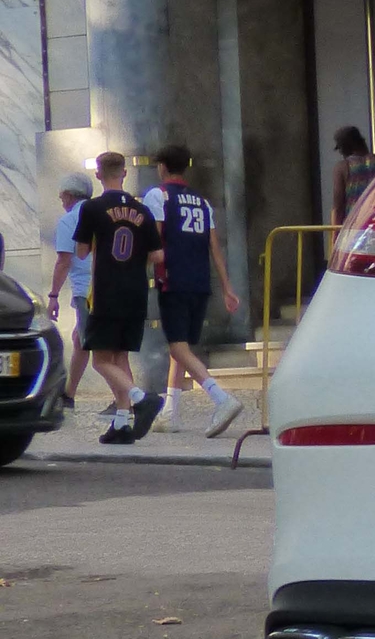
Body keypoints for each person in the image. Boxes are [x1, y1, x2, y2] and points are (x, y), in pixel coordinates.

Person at [144, 145, 246, 439]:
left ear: (162, 167)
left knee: (177, 346)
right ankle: (170, 413)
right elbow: (215, 247)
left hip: (173, 279)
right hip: (200, 281)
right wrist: (227, 287)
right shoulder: (202, 202)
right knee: (183, 345)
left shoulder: (158, 195)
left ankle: (220, 398)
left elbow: (156, 238)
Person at [72, 152, 162, 445]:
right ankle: (122, 423)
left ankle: (141, 398)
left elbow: (82, 251)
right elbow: (157, 255)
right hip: (136, 290)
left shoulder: (92, 208)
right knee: (120, 356)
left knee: (100, 359)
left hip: (106, 291)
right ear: (124, 173)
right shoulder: (143, 210)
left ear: (99, 175)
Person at [44, 174, 95, 407]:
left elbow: (63, 261)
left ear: (71, 195)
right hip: (108, 285)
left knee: (90, 344)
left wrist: (53, 296)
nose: (61, 200)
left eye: (62, 196)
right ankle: (69, 394)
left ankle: (129, 395)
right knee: (79, 338)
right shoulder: (100, 211)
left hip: (86, 291)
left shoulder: (68, 220)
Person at [332, 127, 375, 225]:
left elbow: (337, 208)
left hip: (355, 227)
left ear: (344, 148)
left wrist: (334, 238)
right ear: (362, 142)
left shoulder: (342, 167)